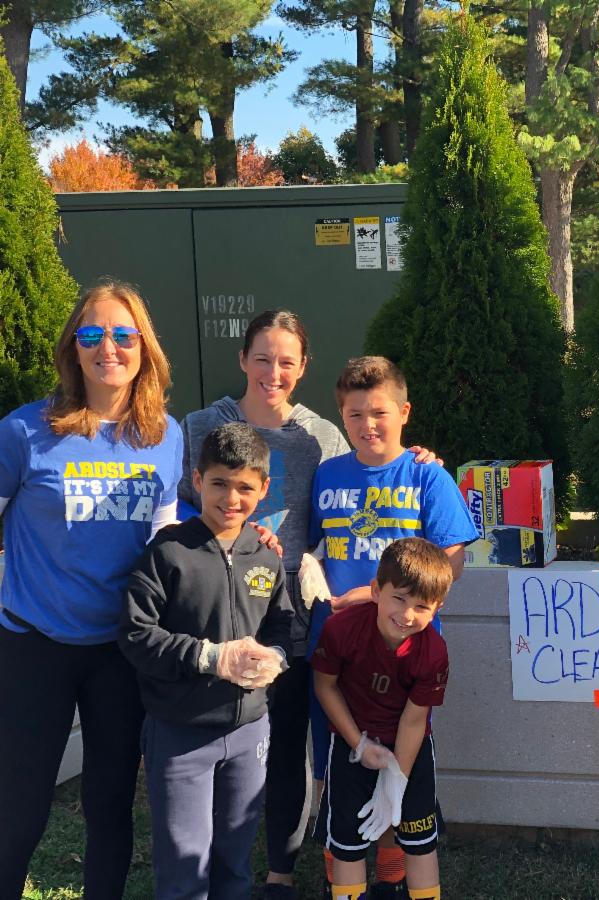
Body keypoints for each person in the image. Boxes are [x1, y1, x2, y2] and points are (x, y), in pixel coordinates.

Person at [0, 281, 183, 899]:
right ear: (72, 349)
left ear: (144, 347)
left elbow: (164, 545)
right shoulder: (24, 431)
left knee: (109, 805)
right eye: (92, 334)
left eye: (123, 334)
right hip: (34, 644)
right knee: (19, 808)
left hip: (120, 649)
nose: (109, 347)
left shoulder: (165, 435)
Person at [177, 310, 348, 898]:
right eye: (262, 358)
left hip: (288, 624)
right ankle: (203, 868)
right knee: (209, 751)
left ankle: (279, 874)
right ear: (242, 360)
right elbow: (176, 510)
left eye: (286, 362)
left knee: (287, 751)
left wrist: (416, 459)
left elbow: (356, 495)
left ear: (303, 368)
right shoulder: (202, 426)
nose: (273, 372)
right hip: (213, 622)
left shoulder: (322, 437)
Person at [308, 356, 478, 896]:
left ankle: (391, 868)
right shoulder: (328, 474)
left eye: (379, 412)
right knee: (339, 757)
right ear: (342, 416)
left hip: (405, 650)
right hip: (340, 649)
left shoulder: (427, 475)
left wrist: (378, 596)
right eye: (354, 414)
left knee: (402, 755)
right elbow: (311, 545)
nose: (367, 425)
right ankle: (342, 861)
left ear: (404, 413)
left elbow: (452, 560)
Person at [120, 423, 293, 900]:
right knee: (185, 865)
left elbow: (282, 625)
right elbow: (136, 634)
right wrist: (209, 657)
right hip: (180, 732)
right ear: (197, 480)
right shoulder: (168, 552)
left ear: (264, 489)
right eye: (219, 483)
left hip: (249, 732)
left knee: (235, 862)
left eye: (245, 487)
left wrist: (276, 657)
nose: (231, 498)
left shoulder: (266, 556)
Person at [311, 537, 454, 900]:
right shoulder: (341, 629)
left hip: (410, 749)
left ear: (437, 609)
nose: (407, 615)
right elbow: (325, 686)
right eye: (399, 599)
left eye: (421, 606)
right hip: (350, 740)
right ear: (376, 590)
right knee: (348, 841)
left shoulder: (433, 651)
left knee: (420, 842)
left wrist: (396, 777)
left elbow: (413, 721)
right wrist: (358, 744)